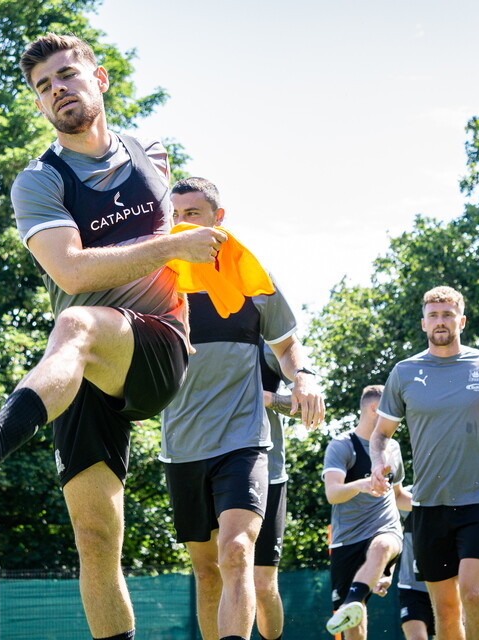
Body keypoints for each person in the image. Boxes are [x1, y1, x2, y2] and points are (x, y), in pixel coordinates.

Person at [0, 34, 228, 640]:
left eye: (66, 75)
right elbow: (69, 271)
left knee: (74, 324)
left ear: (100, 78)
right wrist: (171, 245)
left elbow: (182, 256)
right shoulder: (38, 182)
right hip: (80, 369)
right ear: (39, 106)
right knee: (94, 539)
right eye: (43, 86)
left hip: (155, 346)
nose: (57, 90)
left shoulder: (151, 152)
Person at [160, 177, 324, 640]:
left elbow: (288, 344)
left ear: (218, 219)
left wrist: (304, 376)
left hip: (245, 442)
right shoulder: (156, 280)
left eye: (191, 214)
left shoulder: (252, 276)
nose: (181, 224)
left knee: (238, 555)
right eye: (174, 215)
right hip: (183, 447)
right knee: (207, 572)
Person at [369, 285, 479, 640]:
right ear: (423, 323)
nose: (440, 321)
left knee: (474, 595)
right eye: (433, 315)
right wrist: (377, 461)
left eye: (447, 315)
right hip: (428, 505)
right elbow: (381, 434)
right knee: (444, 611)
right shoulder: (404, 371)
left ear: (461, 320)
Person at [323, 385, 410, 639]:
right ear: (375, 409)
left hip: (386, 531)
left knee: (383, 546)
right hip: (347, 540)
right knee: (354, 625)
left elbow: (398, 497)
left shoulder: (392, 448)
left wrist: (434, 503)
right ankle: (353, 601)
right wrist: (362, 485)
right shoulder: (342, 445)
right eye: (392, 411)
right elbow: (332, 493)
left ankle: (353, 597)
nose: (397, 418)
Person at [255, 342, 293, 640]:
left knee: (262, 583)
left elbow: (302, 401)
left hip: (268, 476)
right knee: (212, 575)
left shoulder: (268, 341)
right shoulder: (194, 329)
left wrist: (269, 398)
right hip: (206, 465)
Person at [396, 488, 436, 640]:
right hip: (412, 588)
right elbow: (390, 497)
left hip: (446, 585)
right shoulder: (409, 496)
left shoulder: (453, 497)